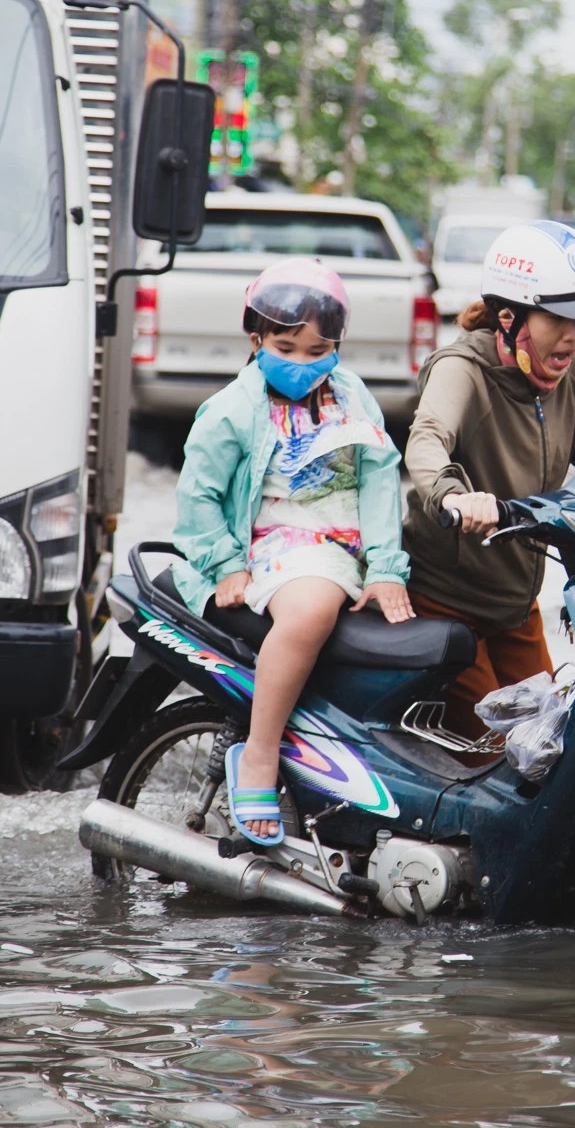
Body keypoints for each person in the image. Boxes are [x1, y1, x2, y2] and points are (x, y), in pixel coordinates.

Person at [170, 257, 413, 844]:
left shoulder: (354, 398)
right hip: (276, 546)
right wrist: (225, 565)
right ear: (255, 339)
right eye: (287, 347)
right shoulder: (232, 408)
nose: (303, 364)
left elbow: (380, 482)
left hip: (348, 547)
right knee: (308, 613)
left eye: (319, 350)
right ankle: (259, 754)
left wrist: (386, 568)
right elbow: (197, 496)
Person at [403, 221, 575, 732]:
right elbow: (427, 440)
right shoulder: (461, 368)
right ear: (509, 318)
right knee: (501, 751)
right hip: (443, 607)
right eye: (561, 318)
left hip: (516, 609)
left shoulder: (569, 370)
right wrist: (455, 496)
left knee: (560, 746)